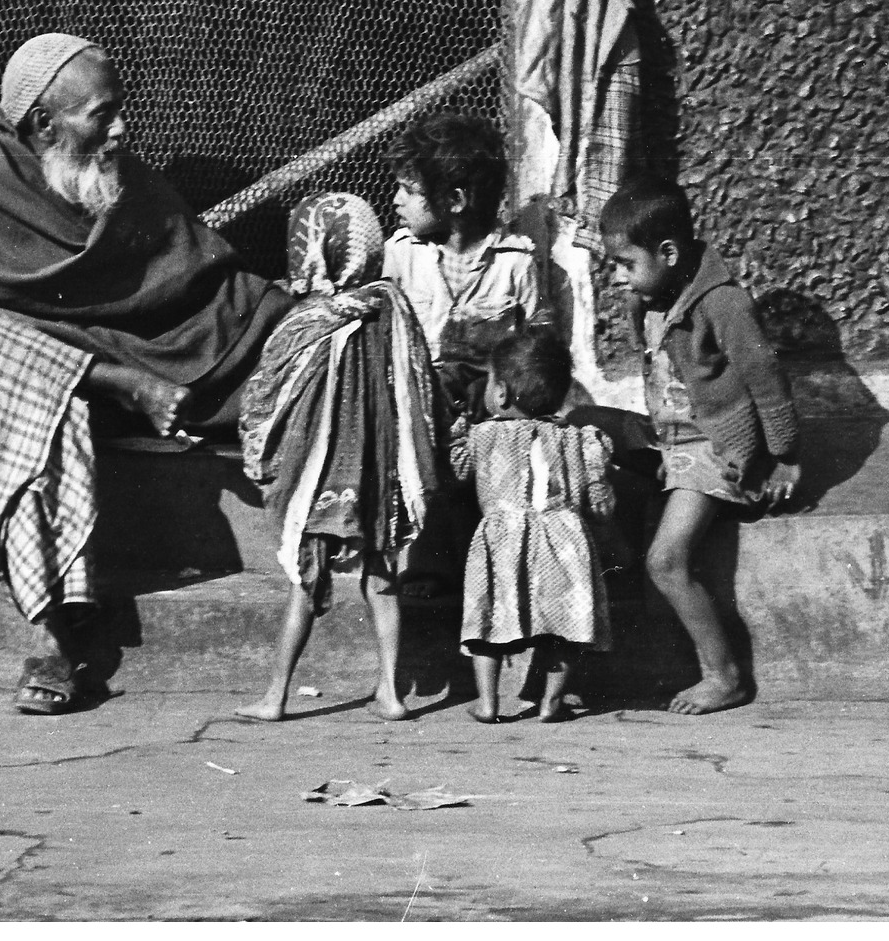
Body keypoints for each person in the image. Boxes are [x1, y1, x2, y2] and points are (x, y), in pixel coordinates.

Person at [0, 33, 292, 714]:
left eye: (121, 110)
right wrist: (112, 371)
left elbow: (206, 283)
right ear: (44, 124)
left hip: (23, 392)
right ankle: (110, 382)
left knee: (41, 396)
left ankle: (52, 638)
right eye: (103, 114)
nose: (122, 127)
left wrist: (309, 319)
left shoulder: (115, 179)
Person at [235, 193, 444, 722]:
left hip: (319, 476)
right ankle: (391, 694)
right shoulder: (392, 306)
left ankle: (275, 697)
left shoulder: (308, 320)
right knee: (383, 578)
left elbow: (268, 395)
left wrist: (266, 451)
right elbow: (421, 384)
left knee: (305, 580)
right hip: (378, 474)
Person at [598, 186, 800, 715]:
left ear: (668, 254)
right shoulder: (649, 297)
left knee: (665, 561)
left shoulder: (724, 303)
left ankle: (724, 675)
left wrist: (781, 453)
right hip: (672, 440)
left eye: (625, 264)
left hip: (713, 447)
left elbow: (765, 376)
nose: (617, 277)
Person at [382, 111, 549, 600]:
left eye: (409, 191)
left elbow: (535, 345)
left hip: (487, 411)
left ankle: (494, 569)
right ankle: (427, 563)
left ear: (454, 199)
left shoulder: (515, 261)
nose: (396, 202)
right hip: (421, 405)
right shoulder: (402, 254)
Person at [453, 330, 614, 724]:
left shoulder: (484, 435)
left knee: (488, 618)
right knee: (564, 623)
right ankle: (552, 702)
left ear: (502, 394)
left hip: (502, 536)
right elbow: (599, 500)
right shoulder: (579, 439)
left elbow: (459, 468)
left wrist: (457, 427)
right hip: (565, 537)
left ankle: (488, 702)